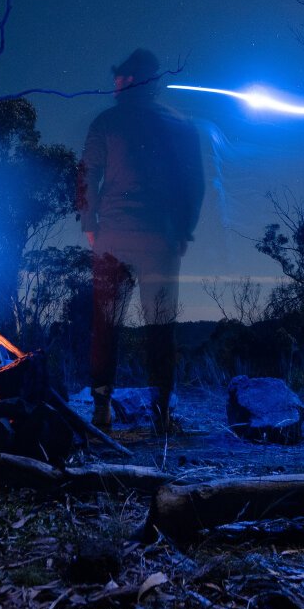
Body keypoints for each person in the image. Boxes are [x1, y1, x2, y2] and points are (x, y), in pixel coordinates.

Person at [78, 48, 204, 434]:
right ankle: (161, 411)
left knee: (106, 324)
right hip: (160, 239)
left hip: (113, 238)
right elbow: (194, 185)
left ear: (132, 81)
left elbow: (87, 174)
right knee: (160, 326)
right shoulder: (180, 124)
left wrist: (90, 225)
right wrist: (182, 231)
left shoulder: (107, 121)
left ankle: (102, 409)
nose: (115, 84)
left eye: (120, 78)